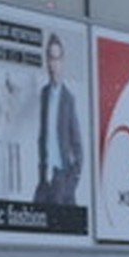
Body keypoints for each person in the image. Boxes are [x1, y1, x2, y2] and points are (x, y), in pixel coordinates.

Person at [34, 31, 84, 206]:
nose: (53, 64)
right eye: (50, 58)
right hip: (44, 177)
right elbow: (43, 134)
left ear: (62, 62)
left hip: (61, 179)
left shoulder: (68, 99)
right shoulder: (44, 94)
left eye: (57, 59)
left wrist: (70, 186)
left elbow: (77, 147)